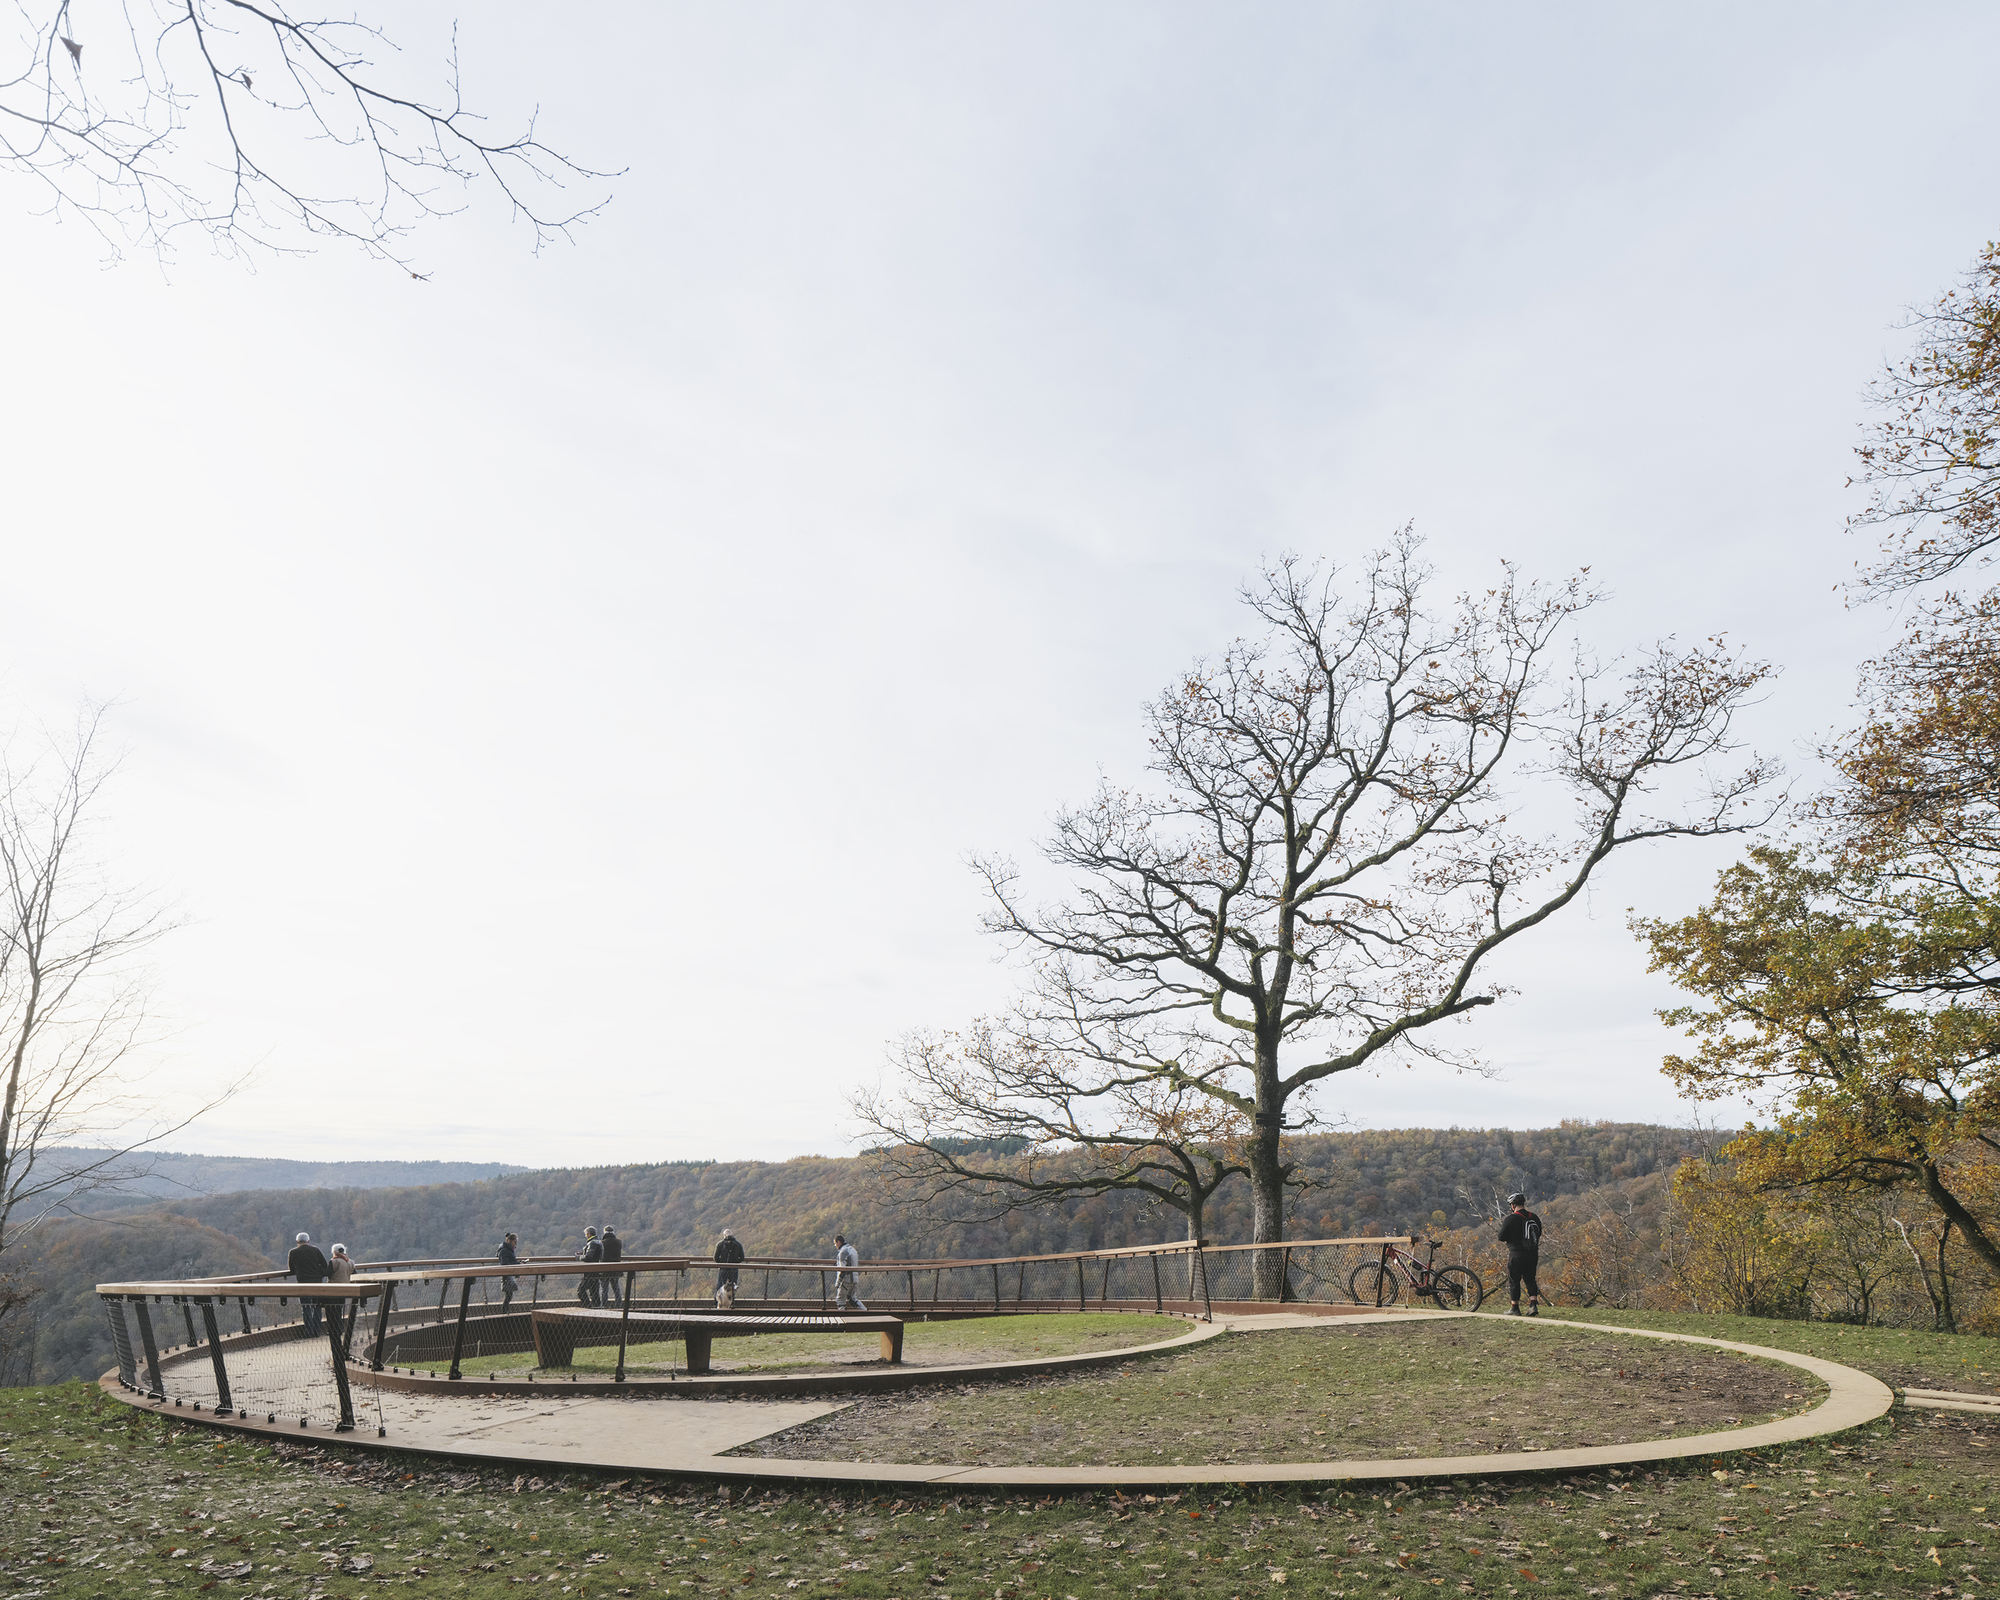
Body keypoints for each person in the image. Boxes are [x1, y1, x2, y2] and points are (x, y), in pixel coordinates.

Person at [1498, 1193, 1543, 1316]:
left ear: (1513, 1205)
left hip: (1516, 1253)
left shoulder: (1510, 1219)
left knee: (1514, 1280)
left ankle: (1515, 1308)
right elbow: (1538, 1233)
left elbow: (1501, 1237)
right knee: (1530, 1279)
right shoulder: (1534, 1217)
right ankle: (1533, 1305)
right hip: (1532, 1253)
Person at [287, 1232, 330, 1337]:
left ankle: (309, 1331)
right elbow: (325, 1265)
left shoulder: (293, 1252)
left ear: (297, 1242)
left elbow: (291, 1269)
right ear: (308, 1241)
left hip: (303, 1282)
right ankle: (317, 1330)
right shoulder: (315, 1250)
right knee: (317, 1306)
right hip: (317, 1282)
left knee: (306, 1307)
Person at [832, 1233, 866, 1312]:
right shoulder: (852, 1249)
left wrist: (838, 1282)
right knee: (852, 1299)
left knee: (840, 1299)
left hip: (846, 1280)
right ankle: (865, 1312)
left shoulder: (843, 1252)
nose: (835, 1246)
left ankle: (842, 1315)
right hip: (854, 1278)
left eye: (835, 1243)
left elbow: (842, 1269)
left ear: (839, 1242)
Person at [714, 1228, 746, 1306]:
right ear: (732, 1235)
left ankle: (718, 1303)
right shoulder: (738, 1244)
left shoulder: (720, 1244)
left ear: (724, 1235)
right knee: (732, 1287)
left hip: (723, 1268)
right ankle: (731, 1303)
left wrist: (721, 1263)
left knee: (720, 1286)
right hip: (733, 1269)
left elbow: (715, 1258)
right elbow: (742, 1258)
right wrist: (735, 1262)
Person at [576, 1226, 603, 1308]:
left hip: (590, 1271)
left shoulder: (592, 1243)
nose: (585, 1236)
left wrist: (578, 1257)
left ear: (589, 1234)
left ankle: (587, 1307)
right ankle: (597, 1309)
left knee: (581, 1290)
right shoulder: (598, 1242)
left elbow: (588, 1257)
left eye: (586, 1234)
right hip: (597, 1270)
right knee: (594, 1292)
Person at [600, 1225, 624, 1307]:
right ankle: (619, 1305)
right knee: (616, 1288)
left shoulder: (602, 1243)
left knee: (604, 1289)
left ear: (604, 1232)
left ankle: (604, 1305)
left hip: (604, 1268)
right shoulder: (618, 1242)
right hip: (615, 1268)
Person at [497, 1233, 521, 1309]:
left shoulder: (505, 1249)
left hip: (508, 1274)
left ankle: (505, 1311)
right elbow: (505, 1263)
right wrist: (517, 1263)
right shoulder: (505, 1250)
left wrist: (518, 1263)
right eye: (515, 1242)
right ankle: (504, 1311)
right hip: (507, 1275)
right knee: (509, 1295)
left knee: (509, 1295)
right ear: (510, 1241)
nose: (515, 1244)